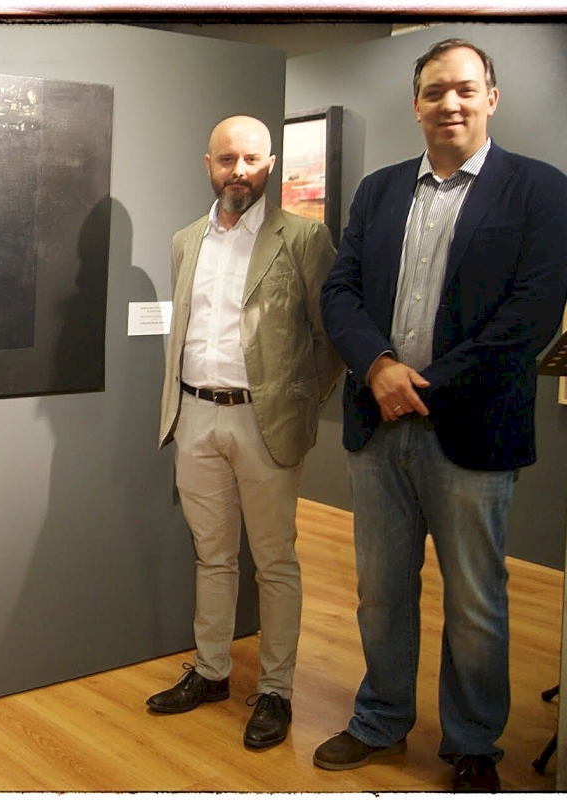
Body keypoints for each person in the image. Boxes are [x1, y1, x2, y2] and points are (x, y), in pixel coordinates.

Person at [315, 38, 567, 791]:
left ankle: (472, 743)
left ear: (491, 97)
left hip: (473, 431)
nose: (449, 104)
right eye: (434, 92)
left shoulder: (540, 189)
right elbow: (340, 292)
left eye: (463, 89)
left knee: (476, 602)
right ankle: (380, 719)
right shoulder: (380, 190)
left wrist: (419, 386)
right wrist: (379, 367)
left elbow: (531, 315)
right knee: (381, 593)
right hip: (378, 429)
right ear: (416, 104)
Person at [149, 115, 340, 749]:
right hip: (195, 416)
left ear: (270, 164)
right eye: (228, 158)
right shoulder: (186, 240)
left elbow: (330, 337)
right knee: (213, 555)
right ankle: (210, 671)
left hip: (265, 421)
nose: (240, 171)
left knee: (276, 561)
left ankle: (277, 691)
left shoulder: (304, 238)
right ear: (208, 164)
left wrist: (298, 403)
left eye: (252, 159)